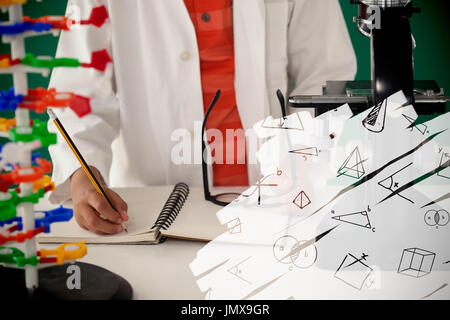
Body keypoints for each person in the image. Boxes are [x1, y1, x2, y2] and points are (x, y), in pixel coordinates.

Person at [48, 0, 357, 234]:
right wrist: (83, 173)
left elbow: (324, 75)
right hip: (151, 211)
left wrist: (303, 158)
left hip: (277, 205)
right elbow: (76, 98)